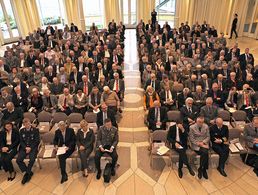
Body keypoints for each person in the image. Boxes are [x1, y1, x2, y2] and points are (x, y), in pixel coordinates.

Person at [16, 118, 40, 184]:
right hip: (24, 148)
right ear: (23, 125)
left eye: (28, 124)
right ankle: (28, 172)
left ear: (30, 123)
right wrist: (26, 148)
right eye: (25, 124)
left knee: (32, 159)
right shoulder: (21, 131)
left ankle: (27, 174)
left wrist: (30, 148)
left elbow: (37, 141)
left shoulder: (35, 130)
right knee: (18, 160)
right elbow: (21, 141)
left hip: (33, 148)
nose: (27, 125)